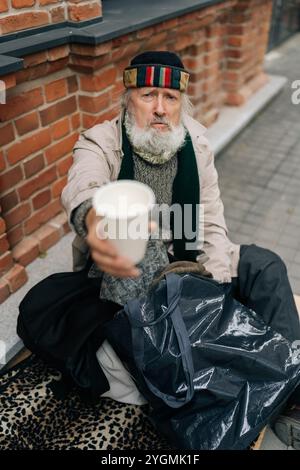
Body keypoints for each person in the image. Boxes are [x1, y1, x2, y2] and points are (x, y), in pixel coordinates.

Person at [61, 51, 300, 447]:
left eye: (170, 98)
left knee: (264, 263)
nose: (159, 108)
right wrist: (97, 220)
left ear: (181, 104)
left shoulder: (197, 145)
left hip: (188, 265)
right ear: (128, 99)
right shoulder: (100, 141)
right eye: (148, 95)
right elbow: (82, 188)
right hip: (126, 267)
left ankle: (289, 396)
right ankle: (220, 393)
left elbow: (210, 222)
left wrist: (213, 286)